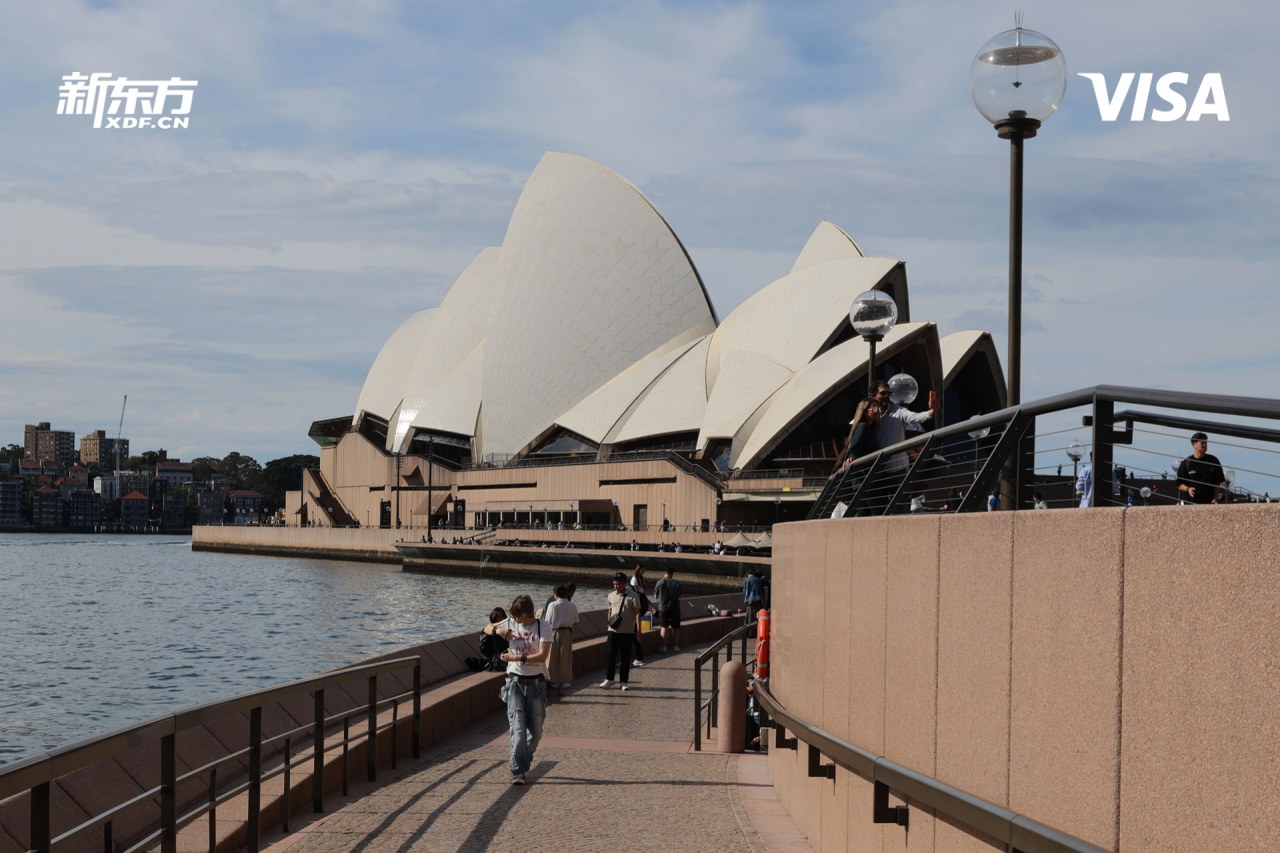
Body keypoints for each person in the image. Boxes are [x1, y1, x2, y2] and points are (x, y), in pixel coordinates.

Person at [481, 595, 553, 784]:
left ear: (526, 614)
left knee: (535, 733)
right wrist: (501, 631)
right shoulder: (511, 623)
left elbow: (542, 656)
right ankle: (518, 771)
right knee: (518, 729)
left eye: (516, 616)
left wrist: (517, 658)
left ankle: (523, 759)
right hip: (514, 682)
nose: (513, 619)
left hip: (536, 684)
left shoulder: (543, 627)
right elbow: (486, 628)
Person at [870, 381, 936, 473]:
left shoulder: (898, 411)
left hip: (899, 469)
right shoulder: (868, 415)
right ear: (873, 396)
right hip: (876, 471)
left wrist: (931, 412)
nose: (887, 396)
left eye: (888, 393)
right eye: (883, 393)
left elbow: (915, 418)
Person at [600, 572, 640, 690]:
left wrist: (639, 630)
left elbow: (637, 613)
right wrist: (608, 626)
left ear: (624, 583)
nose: (615, 586)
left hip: (627, 631)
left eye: (618, 584)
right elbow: (609, 612)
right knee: (610, 655)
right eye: (614, 584)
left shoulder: (633, 595)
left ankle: (623, 682)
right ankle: (609, 679)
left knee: (625, 657)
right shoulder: (611, 595)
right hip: (613, 630)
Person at [544, 585, 579, 695]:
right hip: (567, 633)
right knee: (564, 660)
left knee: (550, 659)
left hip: (554, 633)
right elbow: (576, 622)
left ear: (555, 594)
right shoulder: (573, 605)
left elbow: (547, 622)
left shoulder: (552, 605)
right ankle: (561, 688)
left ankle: (546, 684)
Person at [835, 396, 883, 471]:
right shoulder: (862, 426)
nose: (878, 411)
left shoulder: (870, 430)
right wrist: (851, 456)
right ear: (865, 412)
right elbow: (854, 447)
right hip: (861, 478)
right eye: (875, 408)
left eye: (879, 408)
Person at [1177, 432, 1225, 505]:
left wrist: (1215, 498)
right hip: (1190, 503)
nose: (1205, 445)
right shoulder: (1187, 463)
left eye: (1206, 443)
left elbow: (1217, 482)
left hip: (1209, 503)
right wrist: (1188, 489)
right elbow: (1179, 484)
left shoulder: (1213, 460)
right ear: (1194, 445)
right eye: (1202, 443)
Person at [466, 607, 509, 672]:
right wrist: (495, 654)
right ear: (494, 617)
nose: (501, 619)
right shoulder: (488, 630)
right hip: (491, 659)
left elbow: (506, 647)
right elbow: (483, 648)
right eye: (498, 617)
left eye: (502, 616)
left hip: (502, 659)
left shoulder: (504, 631)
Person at [654, 567, 682, 653]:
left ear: (663, 573)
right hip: (675, 607)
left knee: (664, 627)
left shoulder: (660, 582)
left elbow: (656, 596)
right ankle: (676, 647)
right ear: (672, 574)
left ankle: (664, 647)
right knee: (676, 628)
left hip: (663, 608)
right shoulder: (677, 583)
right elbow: (680, 596)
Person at [629, 565, 651, 667]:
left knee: (632, 634)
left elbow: (637, 592)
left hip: (639, 603)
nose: (643, 572)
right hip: (641, 602)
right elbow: (639, 591)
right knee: (632, 634)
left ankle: (639, 658)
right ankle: (637, 658)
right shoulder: (635, 579)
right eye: (642, 570)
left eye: (644, 570)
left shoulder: (639, 579)